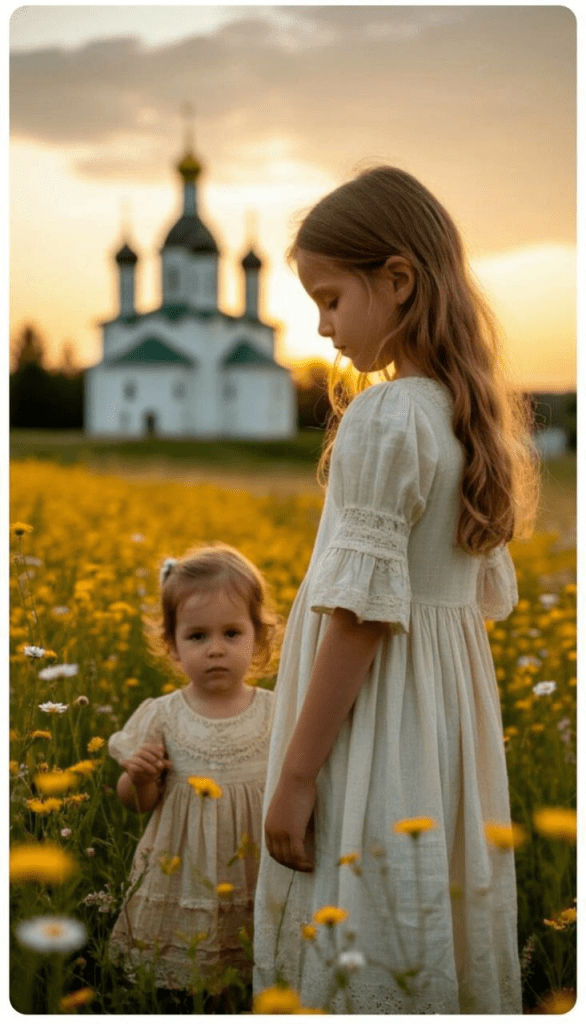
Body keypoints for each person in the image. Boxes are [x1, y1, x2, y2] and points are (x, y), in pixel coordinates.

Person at [253, 166, 539, 1014]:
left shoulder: (387, 416)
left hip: (374, 721)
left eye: (332, 299)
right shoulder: (461, 415)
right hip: (440, 728)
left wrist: (296, 774)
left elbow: (358, 619)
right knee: (424, 908)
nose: (322, 325)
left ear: (399, 280)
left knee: (361, 911)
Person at [108, 543, 278, 995]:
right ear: (173, 646)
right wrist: (138, 777)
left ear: (259, 638)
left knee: (251, 972)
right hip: (182, 870)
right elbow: (139, 804)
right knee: (182, 972)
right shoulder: (162, 715)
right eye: (197, 636)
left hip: (255, 866)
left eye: (232, 633)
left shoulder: (277, 713)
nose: (215, 649)